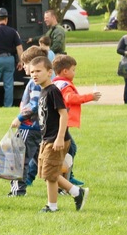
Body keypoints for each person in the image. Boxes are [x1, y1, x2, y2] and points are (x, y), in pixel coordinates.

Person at [29, 56, 88, 213]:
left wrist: (60, 137)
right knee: (48, 172)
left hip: (56, 139)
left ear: (49, 72)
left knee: (50, 174)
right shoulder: (43, 91)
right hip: (47, 139)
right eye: (32, 72)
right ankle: (76, 192)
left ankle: (52, 206)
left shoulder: (53, 91)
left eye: (38, 71)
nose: (34, 74)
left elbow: (63, 114)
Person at [52, 55, 101, 187]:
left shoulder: (56, 82)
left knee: (68, 149)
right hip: (61, 123)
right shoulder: (65, 85)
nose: (74, 72)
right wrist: (90, 97)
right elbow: (70, 99)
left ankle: (66, 176)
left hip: (56, 123)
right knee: (69, 149)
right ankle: (66, 177)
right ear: (65, 71)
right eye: (73, 69)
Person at [8, 46, 48, 197]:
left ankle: (17, 190)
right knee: (42, 162)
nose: (23, 66)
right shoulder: (41, 81)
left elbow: (35, 104)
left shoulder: (34, 83)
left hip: (29, 127)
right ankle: (60, 186)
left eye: (25, 63)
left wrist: (19, 118)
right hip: (40, 128)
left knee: (20, 159)